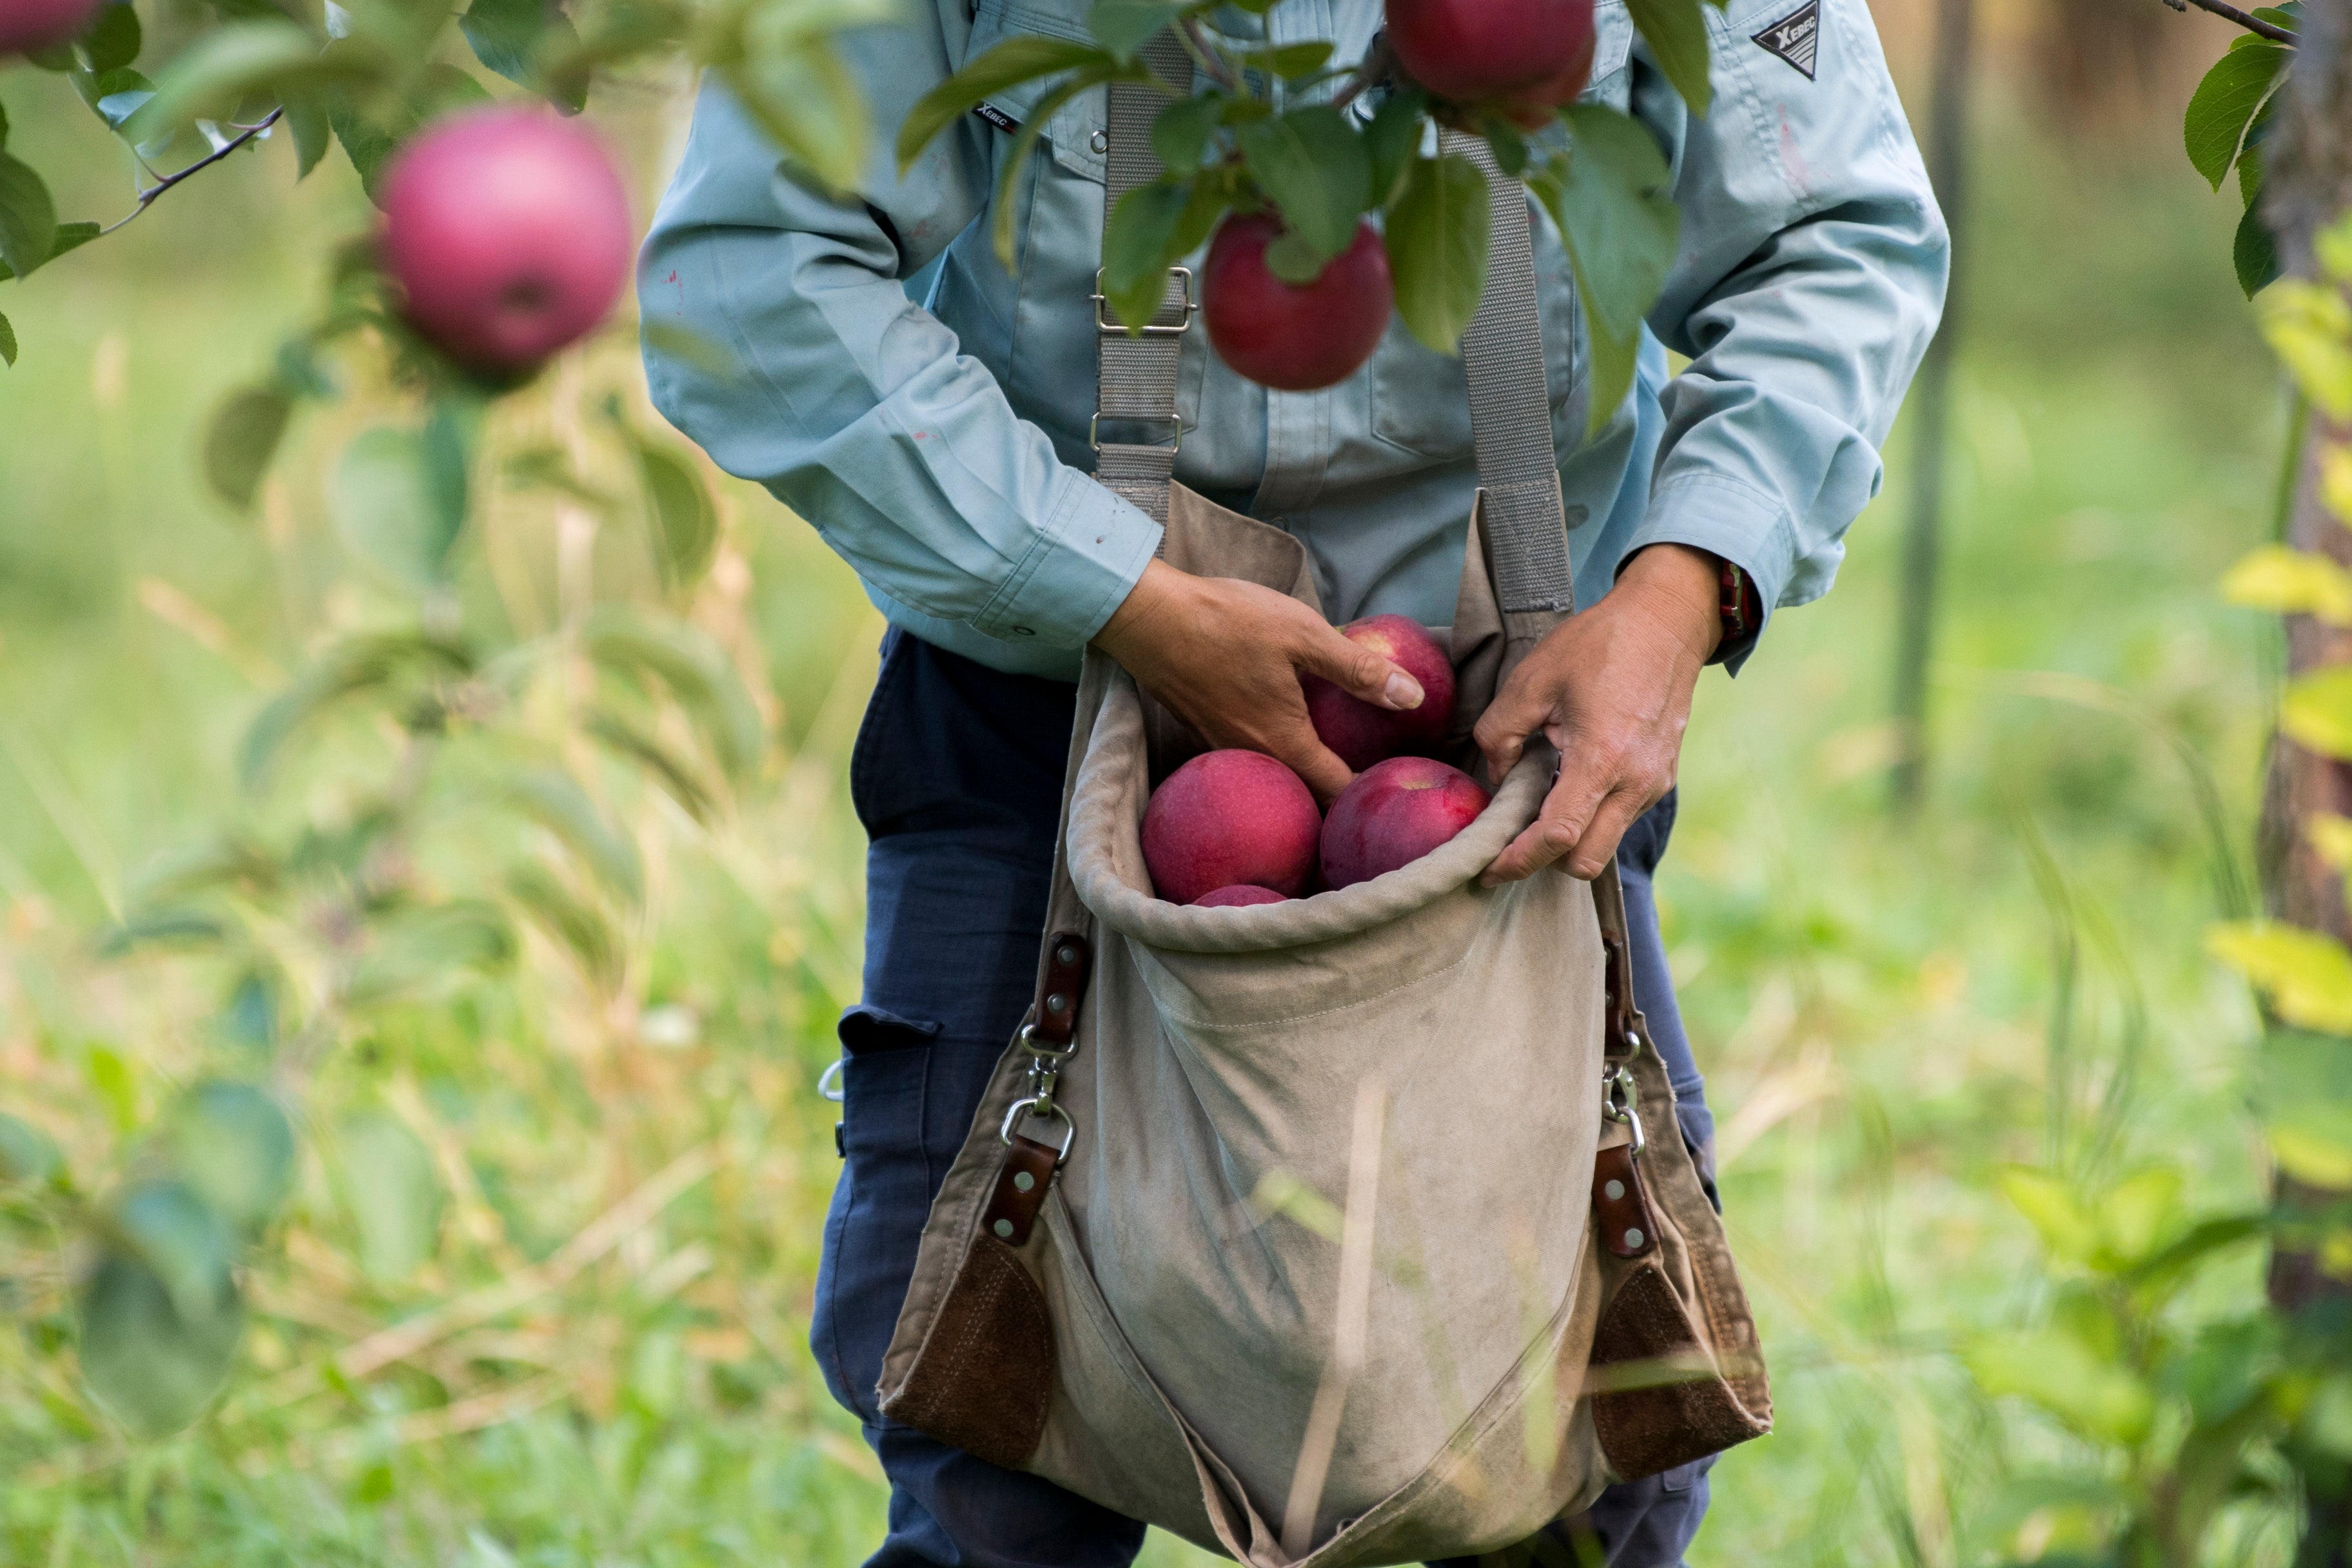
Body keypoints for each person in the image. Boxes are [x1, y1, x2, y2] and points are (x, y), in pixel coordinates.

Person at [639, 0, 1945, 1560]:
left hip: (1501, 738)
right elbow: (751, 276)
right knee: (991, 1433)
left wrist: (1683, 592)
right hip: (1048, 695)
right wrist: (1122, 596)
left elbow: (1833, 238)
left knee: (1581, 1441)